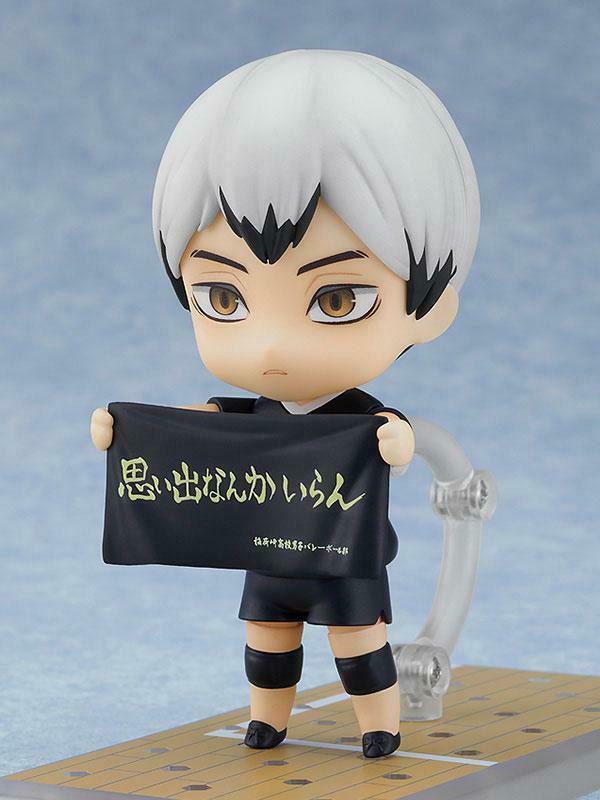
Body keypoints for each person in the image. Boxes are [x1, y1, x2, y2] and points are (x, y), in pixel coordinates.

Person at [91, 49, 480, 758]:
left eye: (337, 300)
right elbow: (194, 431)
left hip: (341, 554)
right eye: (223, 297)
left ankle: (380, 725)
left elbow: (394, 437)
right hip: (267, 554)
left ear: (430, 308)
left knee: (360, 647)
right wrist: (125, 432)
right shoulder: (253, 417)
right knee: (266, 645)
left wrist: (396, 440)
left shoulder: (359, 419)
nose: (272, 345)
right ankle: (267, 719)